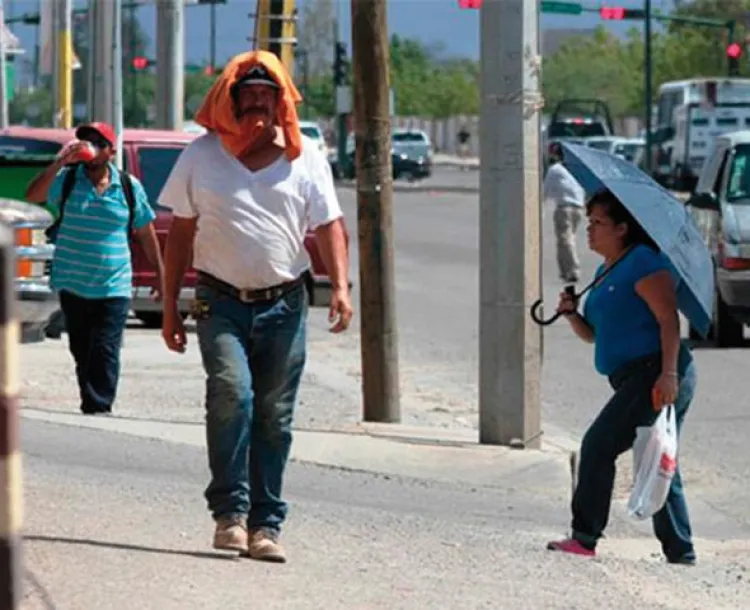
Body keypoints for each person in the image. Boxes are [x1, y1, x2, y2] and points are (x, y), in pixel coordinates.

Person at [158, 51, 352, 563]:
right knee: (231, 394)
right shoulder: (202, 156)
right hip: (218, 299)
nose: (258, 107)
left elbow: (330, 224)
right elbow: (180, 232)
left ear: (282, 102)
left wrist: (340, 287)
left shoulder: (304, 155)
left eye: (268, 97)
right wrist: (170, 304)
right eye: (248, 97)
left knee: (275, 415)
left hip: (285, 303)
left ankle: (266, 525)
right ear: (230, 101)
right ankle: (230, 516)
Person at [547, 189, 697, 565]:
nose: (590, 231)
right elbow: (595, 335)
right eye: (589, 222)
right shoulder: (605, 271)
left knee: (598, 446)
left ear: (623, 228)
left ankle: (584, 537)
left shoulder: (644, 263)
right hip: (635, 375)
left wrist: (668, 375)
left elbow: (668, 322)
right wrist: (571, 315)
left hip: (654, 371)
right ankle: (681, 551)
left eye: (598, 223)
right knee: (656, 455)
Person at [25, 122, 164, 415]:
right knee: (82, 348)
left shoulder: (127, 186)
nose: (89, 146)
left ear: (111, 152)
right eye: (85, 140)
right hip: (73, 282)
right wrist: (60, 162)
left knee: (106, 349)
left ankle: (99, 407)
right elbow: (33, 195)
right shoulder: (68, 179)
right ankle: (91, 401)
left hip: (114, 285)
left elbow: (146, 232)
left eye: (97, 142)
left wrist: (161, 276)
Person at [543, 142, 586, 284]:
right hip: (578, 207)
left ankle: (573, 269)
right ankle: (565, 271)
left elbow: (546, 190)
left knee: (565, 240)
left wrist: (540, 205)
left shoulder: (555, 169)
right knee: (567, 239)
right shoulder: (575, 169)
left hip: (564, 207)